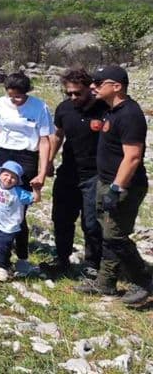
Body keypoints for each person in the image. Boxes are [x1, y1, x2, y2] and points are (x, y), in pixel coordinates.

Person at [76, 65, 153, 306]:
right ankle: (105, 282)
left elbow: (132, 157)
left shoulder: (130, 114)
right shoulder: (112, 110)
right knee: (107, 234)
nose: (93, 86)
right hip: (105, 181)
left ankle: (143, 280)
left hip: (124, 186)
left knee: (116, 236)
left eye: (99, 83)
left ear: (117, 86)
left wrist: (116, 188)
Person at [0, 72, 53, 275]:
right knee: (0, 204)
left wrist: (42, 173)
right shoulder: (0, 105)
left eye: (18, 96)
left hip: (26, 157)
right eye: (11, 96)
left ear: (26, 92)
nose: (15, 100)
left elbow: (45, 141)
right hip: (3, 155)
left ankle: (21, 258)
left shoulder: (39, 107)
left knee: (18, 211)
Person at [41, 68, 106, 279]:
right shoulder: (64, 108)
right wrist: (49, 160)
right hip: (68, 171)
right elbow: (58, 136)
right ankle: (61, 258)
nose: (73, 97)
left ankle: (92, 263)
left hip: (95, 174)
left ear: (89, 89)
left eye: (78, 93)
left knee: (91, 222)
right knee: (61, 218)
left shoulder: (104, 109)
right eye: (69, 93)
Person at [0, 161, 40, 282]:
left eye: (13, 177)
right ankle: (1, 260)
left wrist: (36, 189)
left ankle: (3, 268)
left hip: (10, 226)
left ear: (17, 181)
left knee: (3, 245)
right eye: (6, 175)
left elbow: (35, 199)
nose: (9, 179)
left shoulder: (19, 193)